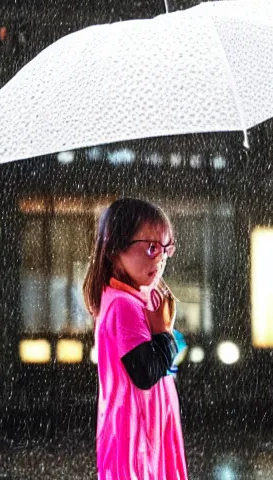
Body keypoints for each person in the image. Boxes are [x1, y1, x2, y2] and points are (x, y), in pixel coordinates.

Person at [83, 198, 188, 480]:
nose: (161, 259)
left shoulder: (136, 299)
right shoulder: (122, 306)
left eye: (166, 248)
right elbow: (145, 372)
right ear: (116, 249)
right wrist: (164, 332)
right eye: (152, 248)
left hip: (147, 430)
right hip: (136, 438)